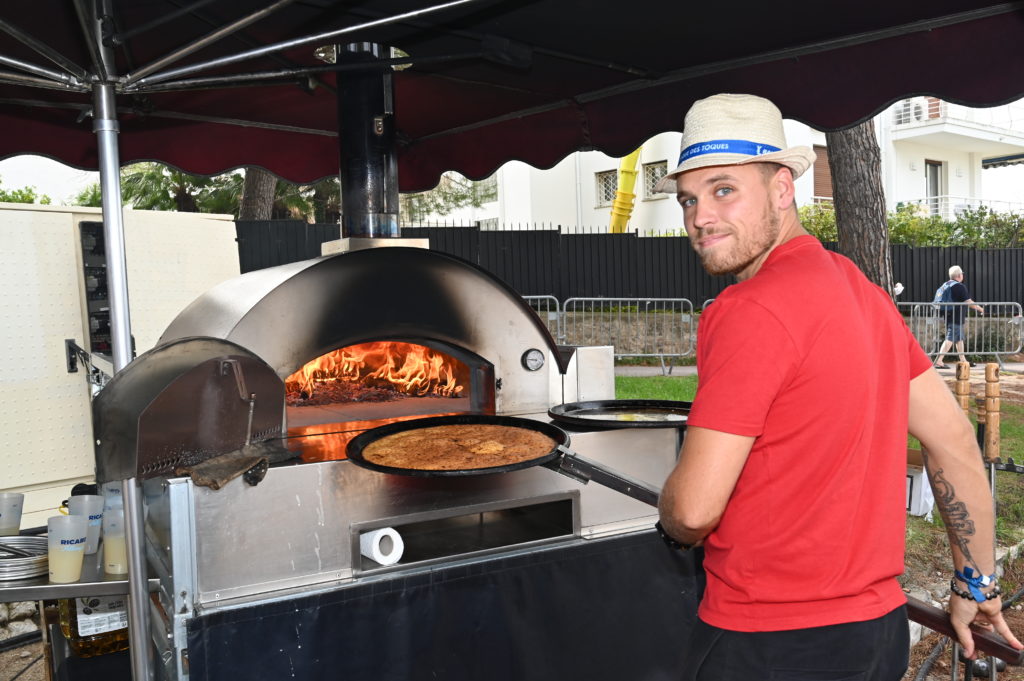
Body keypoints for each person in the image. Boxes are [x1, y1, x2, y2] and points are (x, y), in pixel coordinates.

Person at [652, 93, 1021, 680]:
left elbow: (695, 510)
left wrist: (666, 515)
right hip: (874, 638)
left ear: (781, 189)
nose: (700, 216)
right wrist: (975, 581)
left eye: (724, 190)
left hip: (767, 641)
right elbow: (954, 442)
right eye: (688, 199)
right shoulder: (862, 293)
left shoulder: (746, 308)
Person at [934, 265, 985, 369]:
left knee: (959, 338)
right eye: (962, 274)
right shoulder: (959, 286)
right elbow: (968, 302)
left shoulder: (946, 284)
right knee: (950, 338)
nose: (962, 275)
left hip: (949, 314)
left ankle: (963, 360)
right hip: (955, 315)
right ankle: (939, 361)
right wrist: (980, 309)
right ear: (959, 275)